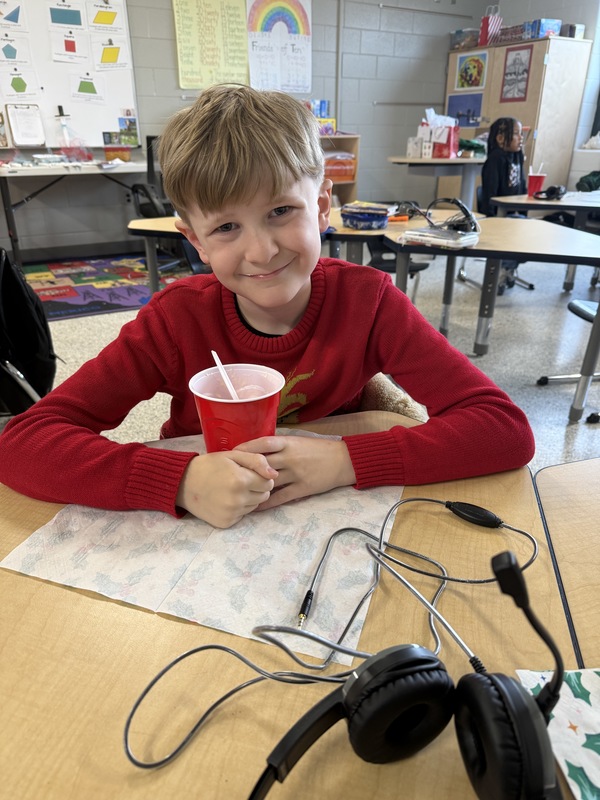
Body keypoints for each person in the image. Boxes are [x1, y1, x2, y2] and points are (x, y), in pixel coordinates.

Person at [0, 85, 535, 529]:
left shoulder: (369, 303)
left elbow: (502, 428)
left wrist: (346, 460)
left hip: (337, 521)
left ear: (322, 206)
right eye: (227, 226)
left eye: (281, 210)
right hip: (202, 522)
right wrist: (181, 480)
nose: (262, 250)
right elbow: (23, 444)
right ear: (197, 242)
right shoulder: (176, 320)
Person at [479, 117, 527, 293]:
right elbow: (489, 194)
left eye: (521, 134)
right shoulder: (495, 160)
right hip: (497, 216)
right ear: (500, 138)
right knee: (512, 232)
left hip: (513, 214)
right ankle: (502, 270)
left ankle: (509, 268)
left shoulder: (517, 157)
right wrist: (492, 219)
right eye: (516, 134)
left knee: (528, 231)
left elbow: (522, 187)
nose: (520, 138)